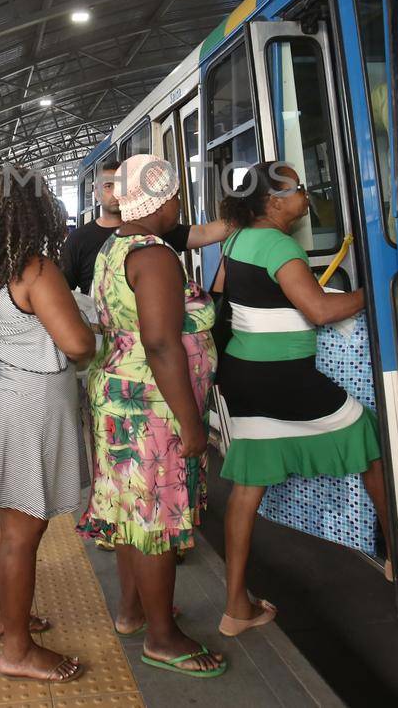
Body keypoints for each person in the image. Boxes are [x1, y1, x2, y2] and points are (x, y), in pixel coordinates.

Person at [211, 161, 391, 637]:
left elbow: (225, 296)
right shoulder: (277, 243)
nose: (306, 195)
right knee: (368, 439)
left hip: (244, 374)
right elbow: (320, 309)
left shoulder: (235, 239)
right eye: (297, 189)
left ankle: (236, 606)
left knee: (248, 486)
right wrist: (372, 292)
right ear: (273, 202)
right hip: (284, 376)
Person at [78, 154, 226, 678]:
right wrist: (190, 422)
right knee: (155, 519)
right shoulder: (155, 256)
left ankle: (134, 609)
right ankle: (163, 638)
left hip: (118, 396)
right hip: (152, 407)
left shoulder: (114, 246)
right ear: (158, 200)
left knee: (129, 513)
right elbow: (162, 343)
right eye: (175, 196)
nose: (180, 205)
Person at [0, 169, 95, 684]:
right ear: (36, 212)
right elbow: (77, 345)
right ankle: (17, 648)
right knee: (20, 534)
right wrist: (93, 336)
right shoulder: (33, 269)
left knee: (2, 525)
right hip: (25, 411)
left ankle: (1, 616)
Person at [59, 159, 234, 294]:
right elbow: (65, 290)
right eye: (108, 186)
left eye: (122, 185)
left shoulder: (153, 229)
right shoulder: (79, 239)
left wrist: (247, 217)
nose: (117, 192)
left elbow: (204, 233)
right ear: (96, 193)